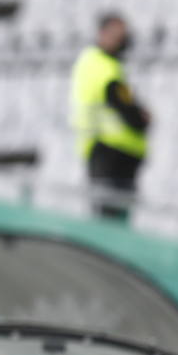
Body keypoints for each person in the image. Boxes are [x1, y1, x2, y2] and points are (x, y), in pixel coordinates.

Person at [71, 13, 150, 220]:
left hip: (110, 151)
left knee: (111, 217)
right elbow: (121, 102)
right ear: (103, 34)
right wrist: (141, 118)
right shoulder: (102, 65)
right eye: (118, 34)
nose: (123, 40)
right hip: (110, 151)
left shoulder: (101, 63)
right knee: (111, 221)